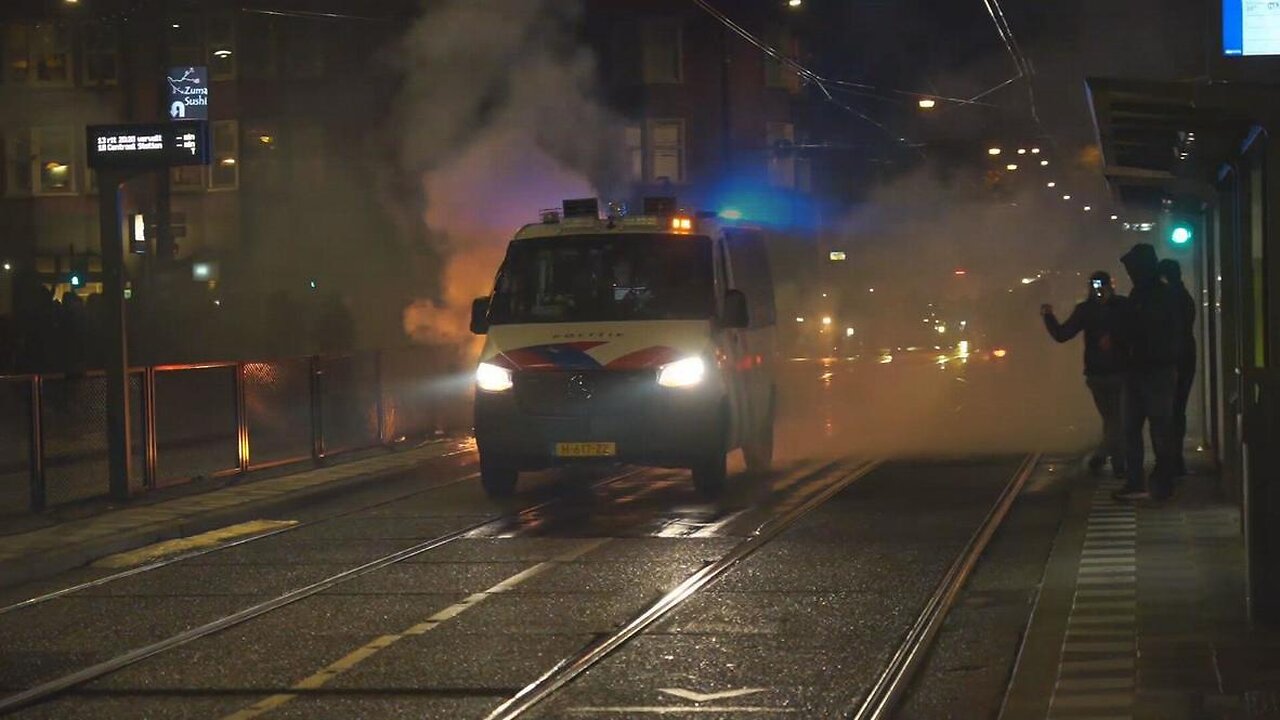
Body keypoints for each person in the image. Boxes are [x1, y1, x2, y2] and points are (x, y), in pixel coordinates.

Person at [1114, 243, 1185, 501]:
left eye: (1132, 268)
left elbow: (1149, 331)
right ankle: (1152, 482)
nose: (1130, 273)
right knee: (1148, 428)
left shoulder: (1154, 295)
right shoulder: (1149, 293)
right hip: (1147, 370)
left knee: (1152, 428)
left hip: (1153, 370)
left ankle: (1151, 482)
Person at [1041, 271, 1129, 477]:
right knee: (1116, 419)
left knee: (1111, 419)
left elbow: (1062, 335)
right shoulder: (1123, 306)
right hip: (1119, 371)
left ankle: (1107, 457)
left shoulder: (1085, 310)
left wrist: (1048, 316)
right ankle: (1117, 464)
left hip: (1097, 374)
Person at [1158, 258, 1196, 476]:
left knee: (1168, 412)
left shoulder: (1167, 300)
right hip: (1186, 358)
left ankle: (1170, 459)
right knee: (1178, 410)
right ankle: (1176, 457)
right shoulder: (1184, 298)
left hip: (1172, 360)